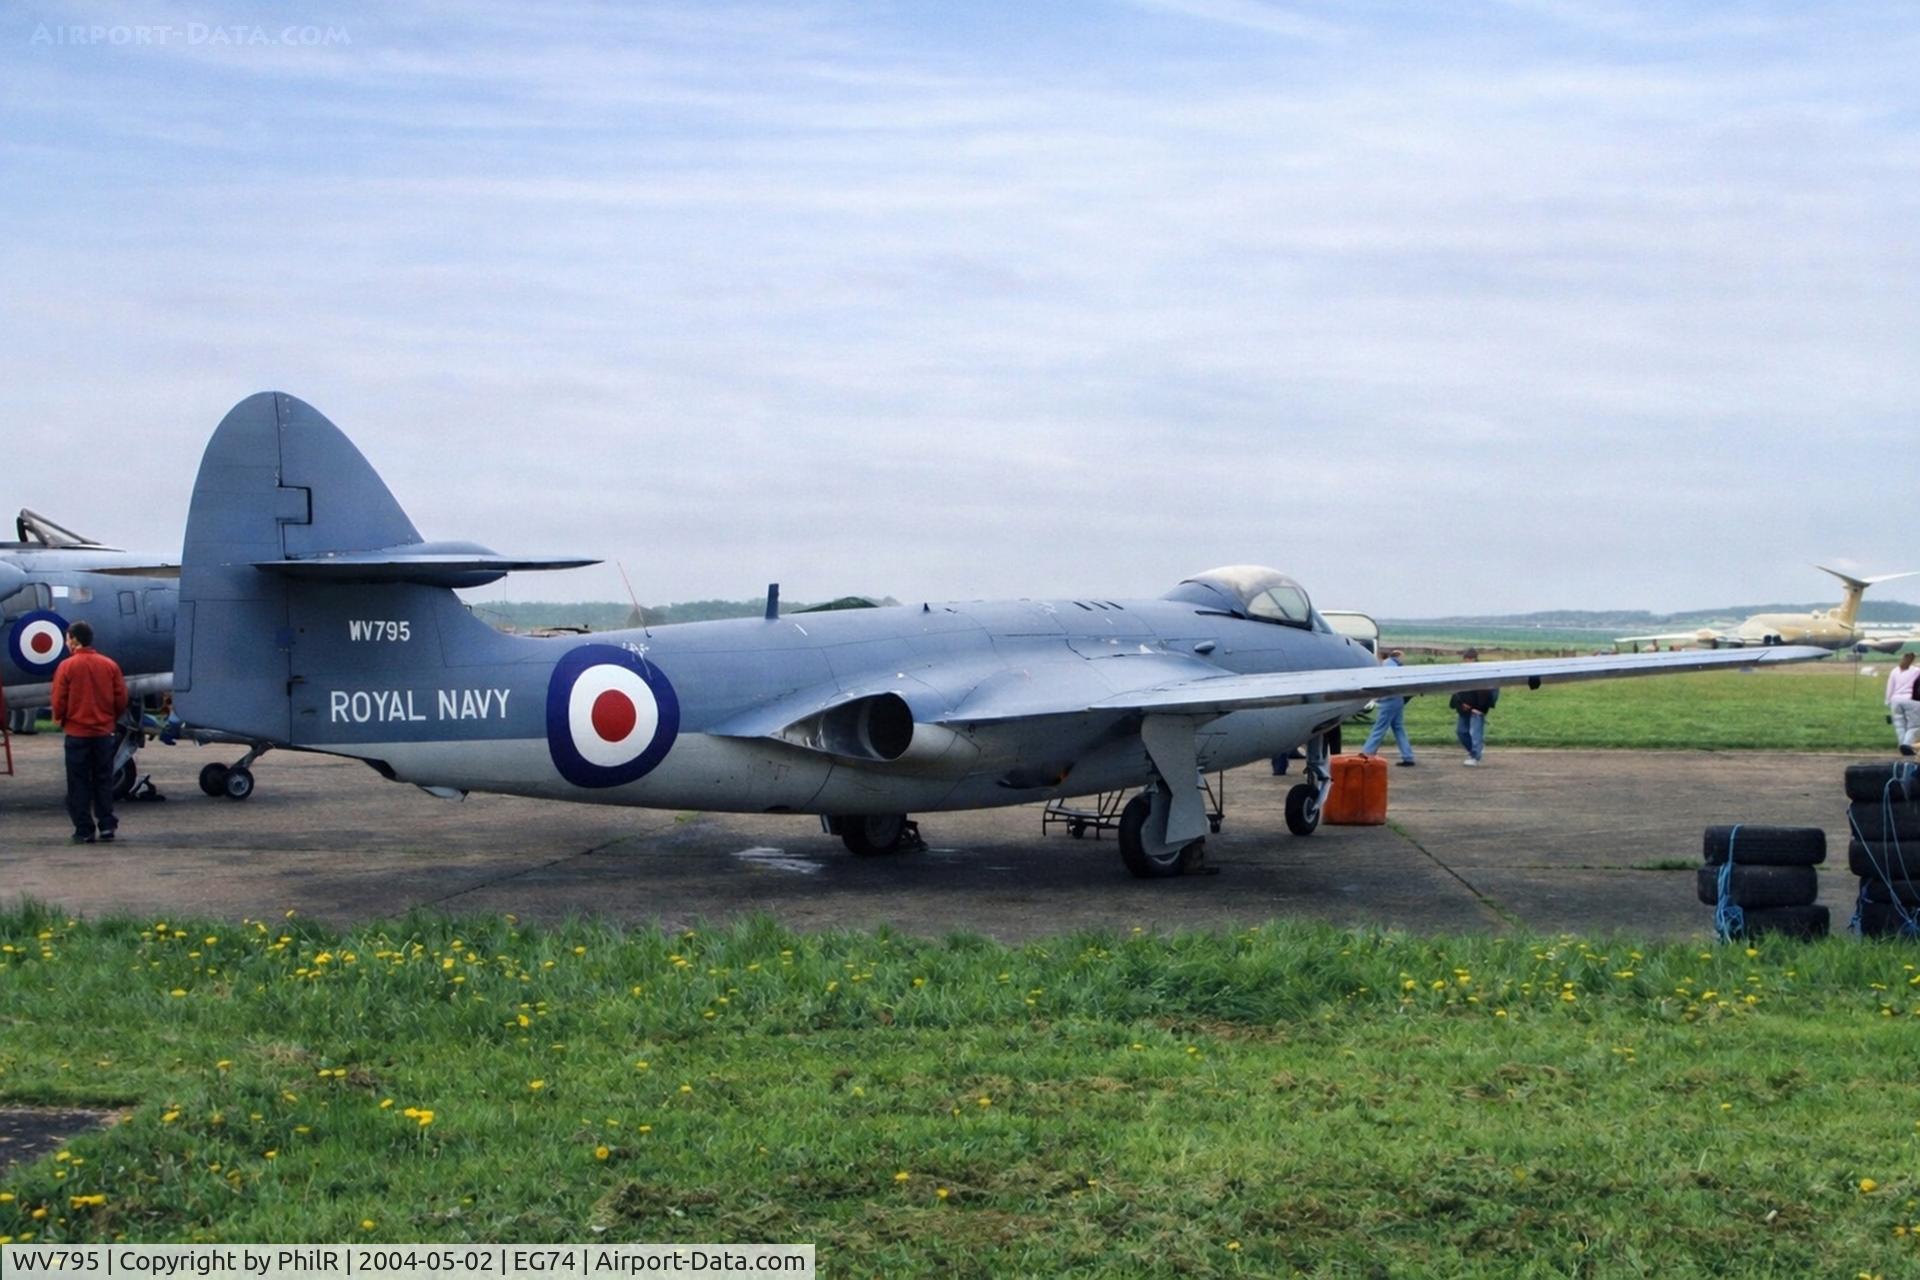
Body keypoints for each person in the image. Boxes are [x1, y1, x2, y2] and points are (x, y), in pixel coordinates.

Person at [50, 619, 128, 843]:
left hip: (77, 734)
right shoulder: (109, 665)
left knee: (78, 782)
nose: (66, 643)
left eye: (67, 638)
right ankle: (106, 825)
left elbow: (58, 700)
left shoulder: (66, 666)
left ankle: (84, 829)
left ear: (74, 640)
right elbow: (120, 698)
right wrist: (109, 718)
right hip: (103, 733)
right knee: (103, 780)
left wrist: (62, 719)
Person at [1358, 649, 1416, 766]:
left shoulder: (1386, 665)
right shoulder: (1395, 666)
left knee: (1380, 727)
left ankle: (1367, 753)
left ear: (1380, 656)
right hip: (1397, 699)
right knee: (1398, 728)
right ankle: (1408, 756)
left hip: (1388, 701)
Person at [1447, 648, 1498, 767]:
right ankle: (1474, 751)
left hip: (1477, 709)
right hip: (1464, 707)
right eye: (1466, 659)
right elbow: (1456, 691)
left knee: (1475, 733)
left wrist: (1481, 709)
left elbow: (1488, 693)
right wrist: (1460, 704)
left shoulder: (1482, 673)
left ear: (1475, 659)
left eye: (1470, 659)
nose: (1468, 661)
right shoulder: (1460, 672)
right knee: (1461, 732)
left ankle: (1475, 755)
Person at [1889, 652, 1920, 757]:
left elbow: (1890, 687)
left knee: (1899, 726)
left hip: (1895, 700)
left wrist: (1888, 701)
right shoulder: (1916, 671)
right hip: (1911, 700)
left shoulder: (1895, 671)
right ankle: (1907, 746)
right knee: (1914, 726)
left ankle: (1902, 745)